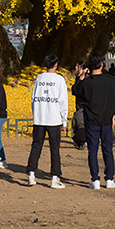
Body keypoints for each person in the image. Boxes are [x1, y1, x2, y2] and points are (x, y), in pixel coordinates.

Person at [72, 51, 115, 190]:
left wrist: (80, 76)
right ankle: (110, 179)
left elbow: (75, 90)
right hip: (106, 119)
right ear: (102, 64)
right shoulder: (110, 81)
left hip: (91, 119)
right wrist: (113, 115)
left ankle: (95, 180)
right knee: (108, 149)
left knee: (92, 150)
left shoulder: (86, 83)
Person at [27, 54, 69, 188]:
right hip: (54, 118)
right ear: (56, 65)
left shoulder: (39, 78)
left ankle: (31, 174)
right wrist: (64, 120)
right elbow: (63, 101)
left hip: (39, 118)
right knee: (54, 148)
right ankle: (54, 177)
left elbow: (33, 99)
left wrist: (36, 114)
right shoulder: (59, 79)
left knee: (36, 146)